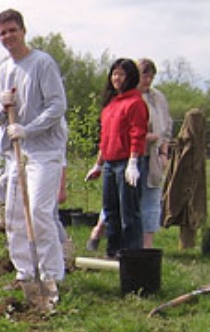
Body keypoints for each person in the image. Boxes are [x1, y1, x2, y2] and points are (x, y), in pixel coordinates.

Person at [0, 9, 68, 296]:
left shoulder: (42, 64)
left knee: (38, 210)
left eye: (12, 30)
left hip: (45, 150)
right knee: (13, 213)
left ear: (23, 30)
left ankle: (51, 273)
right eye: (2, 32)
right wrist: (2, 105)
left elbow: (57, 106)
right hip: (16, 152)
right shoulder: (2, 70)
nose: (8, 36)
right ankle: (24, 272)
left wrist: (28, 129)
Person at [84, 58, 149, 257]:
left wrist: (133, 162)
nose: (117, 78)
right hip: (110, 164)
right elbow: (105, 138)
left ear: (130, 77)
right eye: (114, 73)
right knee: (110, 210)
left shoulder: (135, 103)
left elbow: (138, 133)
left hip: (126, 163)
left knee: (129, 212)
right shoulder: (111, 105)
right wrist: (98, 164)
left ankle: (131, 254)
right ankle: (113, 251)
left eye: (121, 74)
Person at [137, 58, 173, 249]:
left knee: (151, 199)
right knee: (125, 201)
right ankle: (103, 232)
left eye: (151, 76)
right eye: (144, 74)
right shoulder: (129, 96)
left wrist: (164, 152)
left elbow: (166, 127)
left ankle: (147, 246)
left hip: (153, 157)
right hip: (132, 156)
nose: (148, 79)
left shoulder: (158, 98)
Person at [163, 108, 207, 249]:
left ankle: (187, 245)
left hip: (192, 186)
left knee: (191, 211)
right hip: (182, 184)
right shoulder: (183, 144)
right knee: (185, 209)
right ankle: (185, 245)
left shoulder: (195, 145)